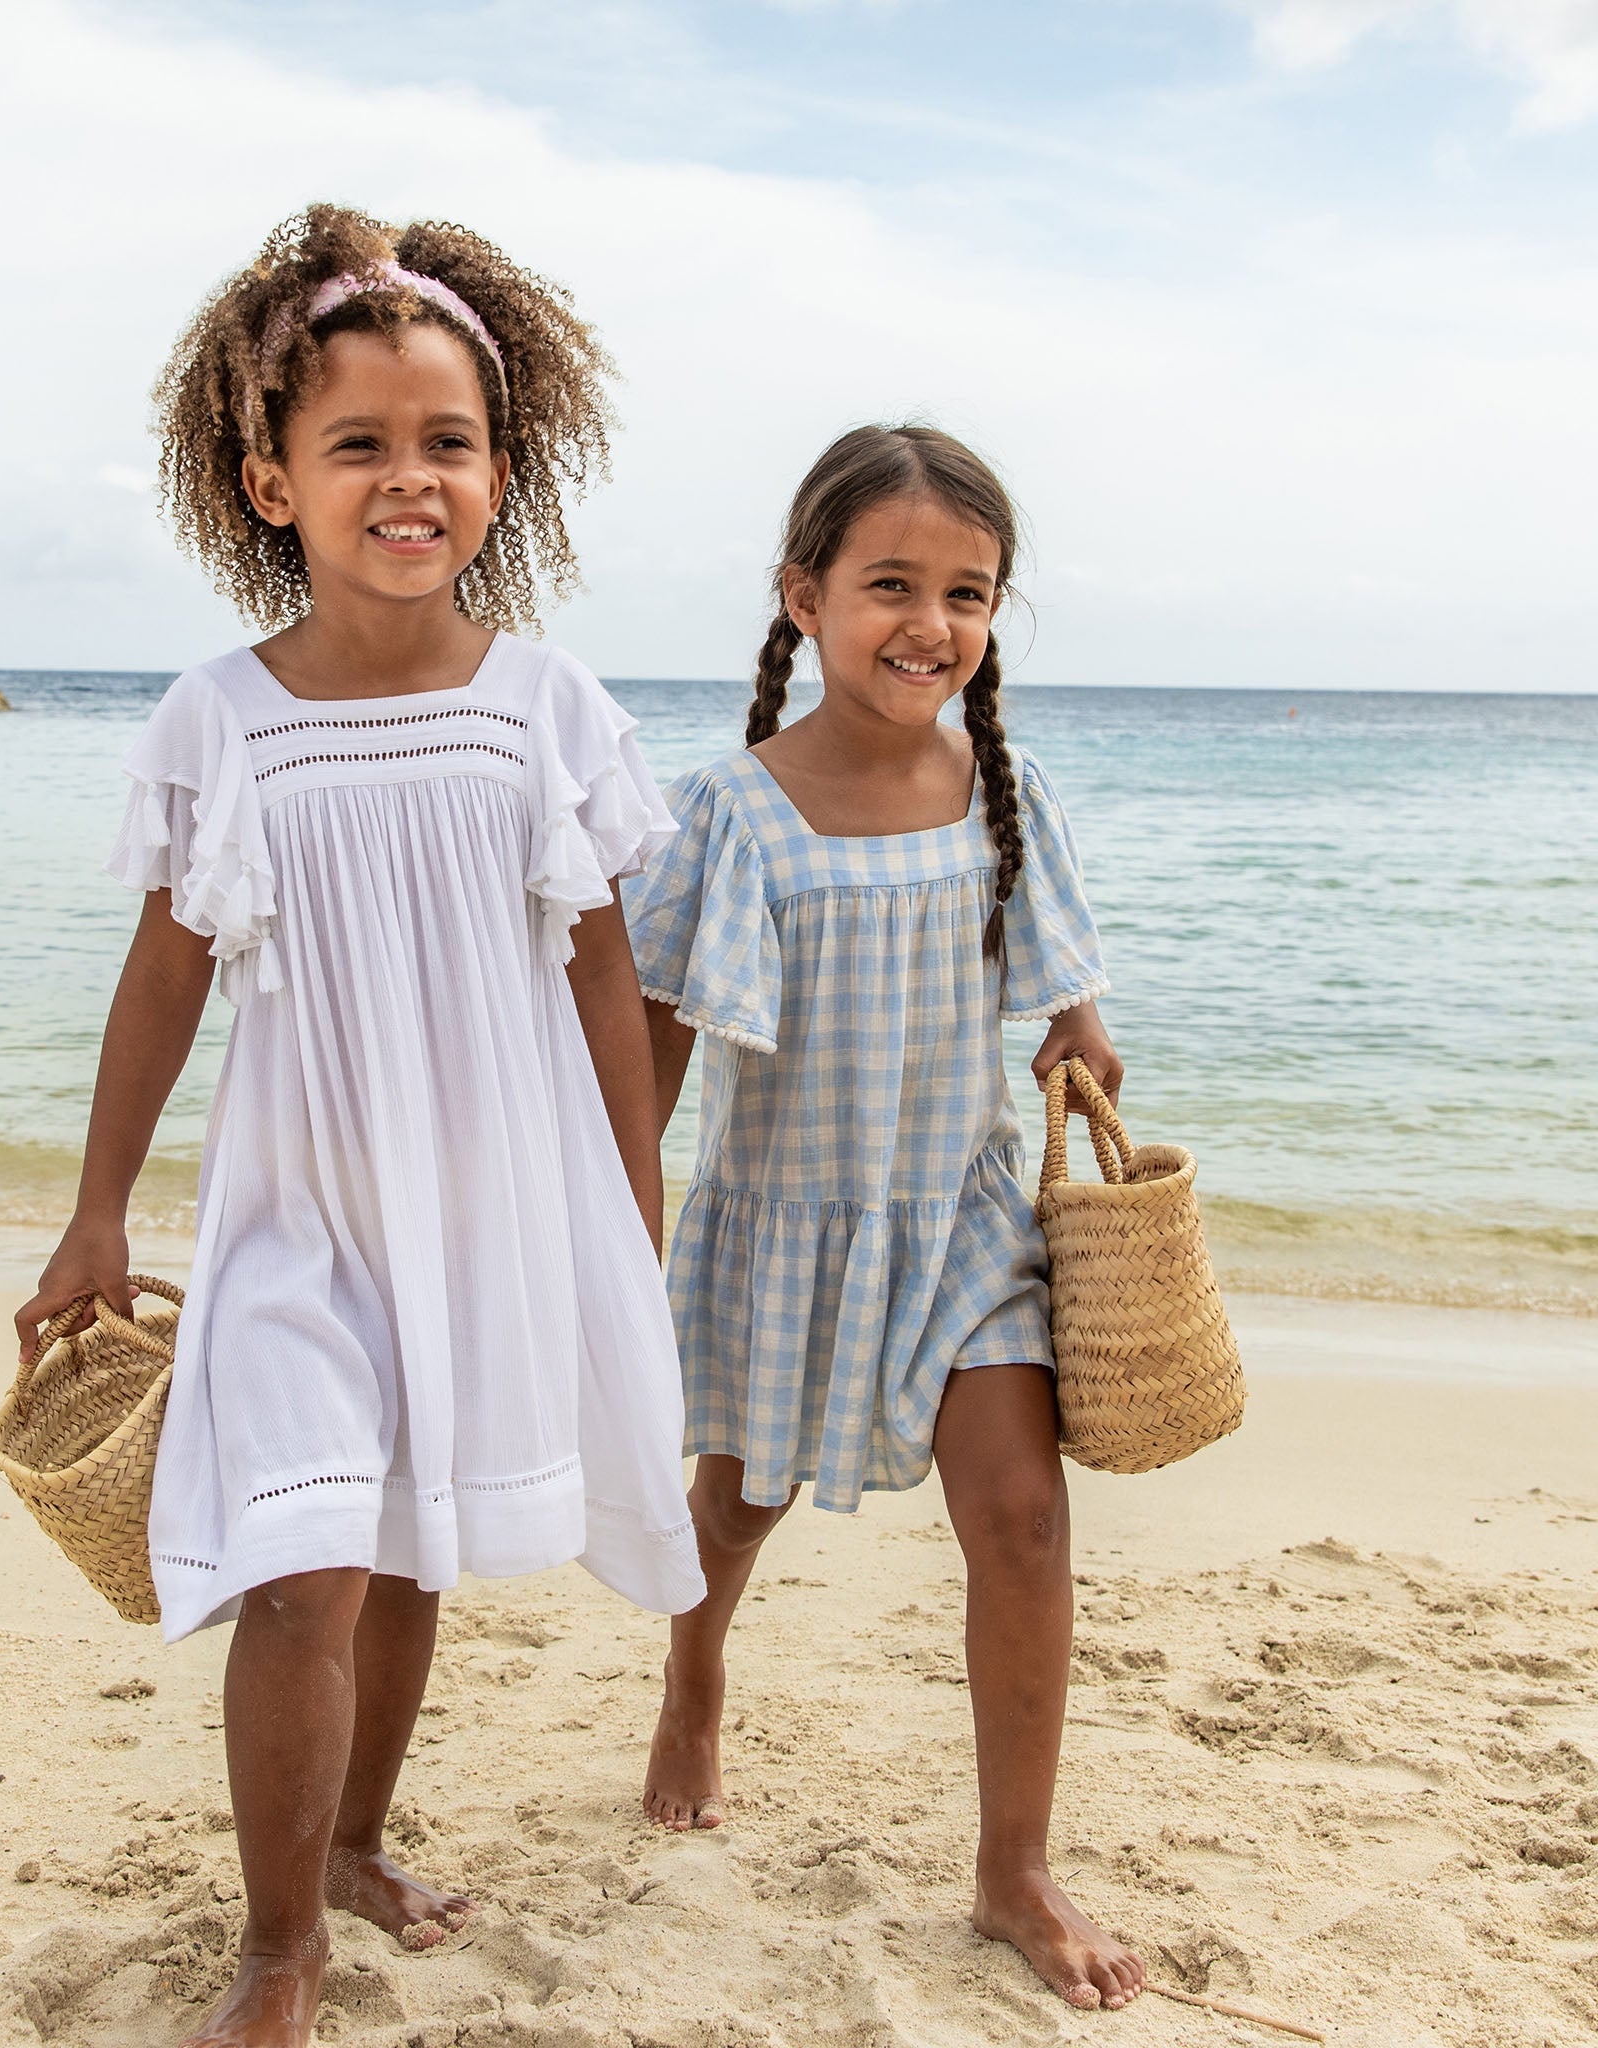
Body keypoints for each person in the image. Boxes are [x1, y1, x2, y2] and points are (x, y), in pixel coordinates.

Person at [16, 204, 704, 2048]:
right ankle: (279, 1948)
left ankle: (354, 1843)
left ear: (502, 473)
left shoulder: (545, 708)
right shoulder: (222, 718)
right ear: (272, 482)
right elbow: (164, 975)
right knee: (303, 1565)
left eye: (448, 441)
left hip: (486, 1211)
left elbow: (604, 979)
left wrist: (629, 1204)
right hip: (296, 1213)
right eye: (360, 443)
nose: (411, 477)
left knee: (408, 1552)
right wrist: (97, 1207)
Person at [624, 425, 1145, 2012]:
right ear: (806, 598)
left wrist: (1076, 1036)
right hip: (786, 1223)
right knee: (735, 1511)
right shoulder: (729, 814)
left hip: (965, 1221)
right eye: (892, 586)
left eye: (967, 593)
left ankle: (1014, 1870)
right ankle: (695, 1678)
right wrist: (616, 1226)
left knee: (1024, 1517)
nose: (931, 623)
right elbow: (652, 1050)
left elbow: (1064, 994)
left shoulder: (1005, 792)